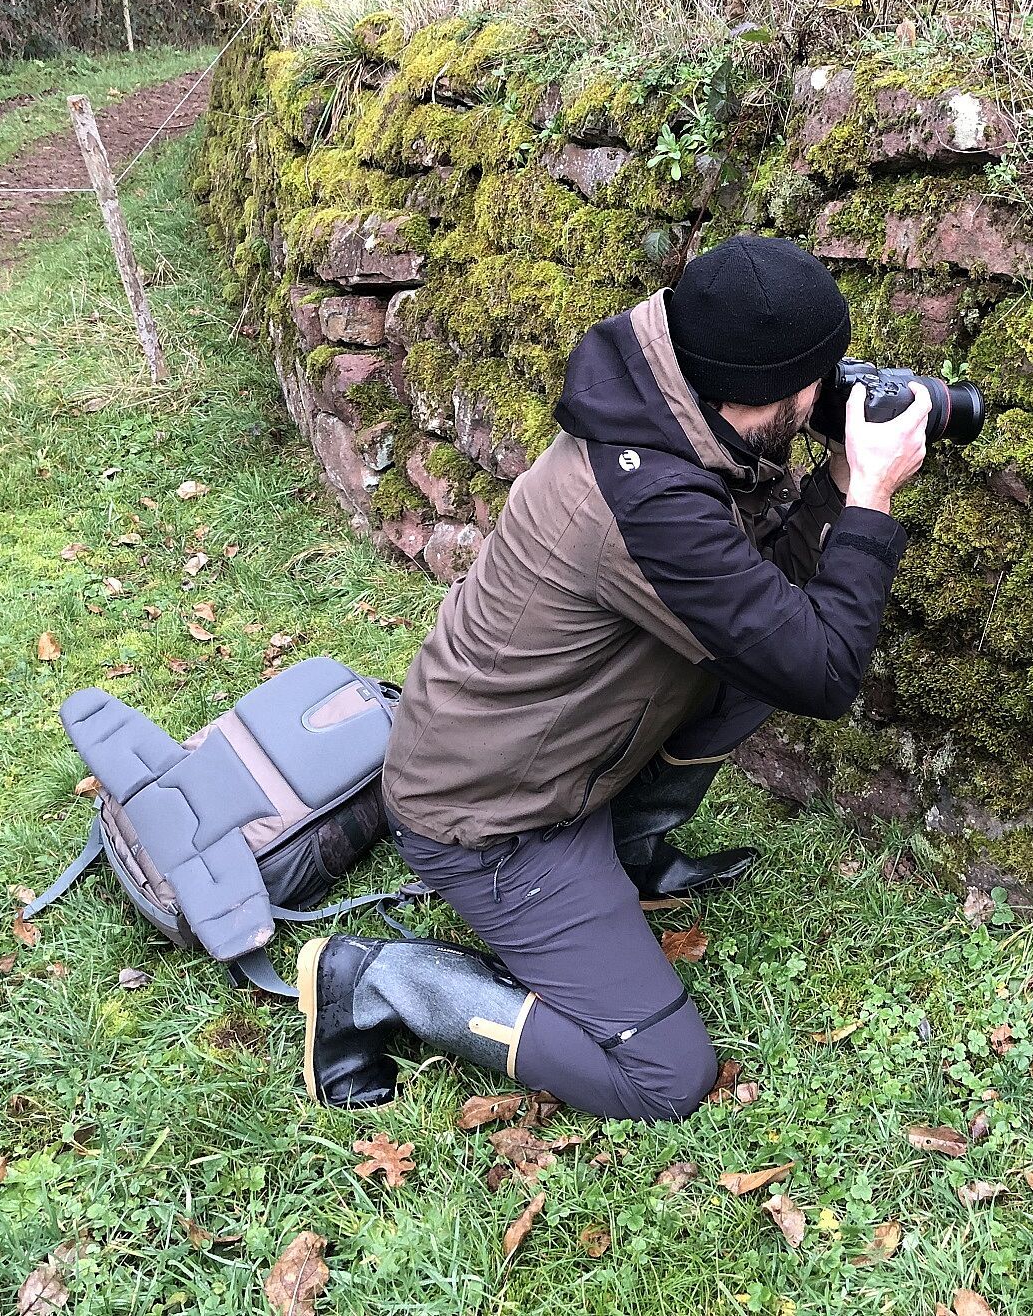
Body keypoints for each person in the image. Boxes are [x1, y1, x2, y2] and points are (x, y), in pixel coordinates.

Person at [296, 235, 931, 1122]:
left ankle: (631, 857)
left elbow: (772, 608)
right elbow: (827, 673)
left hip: (545, 761)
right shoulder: (648, 504)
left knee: (755, 669)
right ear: (763, 394)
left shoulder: (669, 412)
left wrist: (830, 474)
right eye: (819, 381)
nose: (831, 397)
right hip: (492, 823)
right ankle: (381, 981)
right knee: (665, 1078)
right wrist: (869, 497)